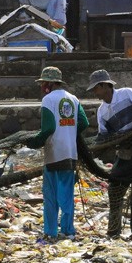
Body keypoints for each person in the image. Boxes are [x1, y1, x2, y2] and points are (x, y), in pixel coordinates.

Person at [26, 66, 89, 240]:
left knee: (51, 196)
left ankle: (51, 231)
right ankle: (68, 230)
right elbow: (84, 123)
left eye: (43, 83)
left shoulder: (48, 100)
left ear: (49, 84)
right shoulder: (73, 99)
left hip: (54, 153)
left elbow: (48, 128)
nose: (41, 87)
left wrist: (35, 142)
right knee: (67, 194)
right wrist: (69, 134)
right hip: (70, 153)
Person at [88, 69, 132, 242]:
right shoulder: (102, 111)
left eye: (96, 89)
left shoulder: (127, 94)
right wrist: (92, 151)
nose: (95, 93)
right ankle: (114, 230)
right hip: (124, 150)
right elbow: (104, 136)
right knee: (115, 187)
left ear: (104, 86)